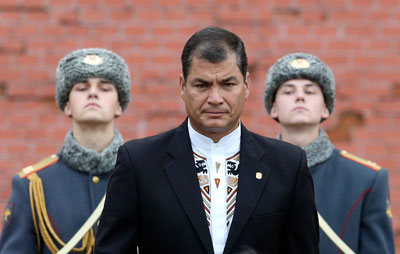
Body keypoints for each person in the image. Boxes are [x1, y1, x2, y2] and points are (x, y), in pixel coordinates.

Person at [94, 26, 319, 254]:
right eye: (202, 85)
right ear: (183, 86)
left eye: (228, 85)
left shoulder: (288, 165)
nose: (215, 98)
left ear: (246, 85)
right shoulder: (139, 163)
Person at [0, 48, 131, 254]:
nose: (93, 93)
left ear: (119, 105)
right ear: (67, 105)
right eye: (81, 88)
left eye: (105, 88)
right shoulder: (33, 185)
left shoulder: (144, 177)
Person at [264, 52, 395, 253]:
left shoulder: (366, 179)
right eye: (288, 91)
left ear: (325, 108)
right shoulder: (248, 173)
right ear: (273, 108)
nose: (299, 96)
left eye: (310, 91)